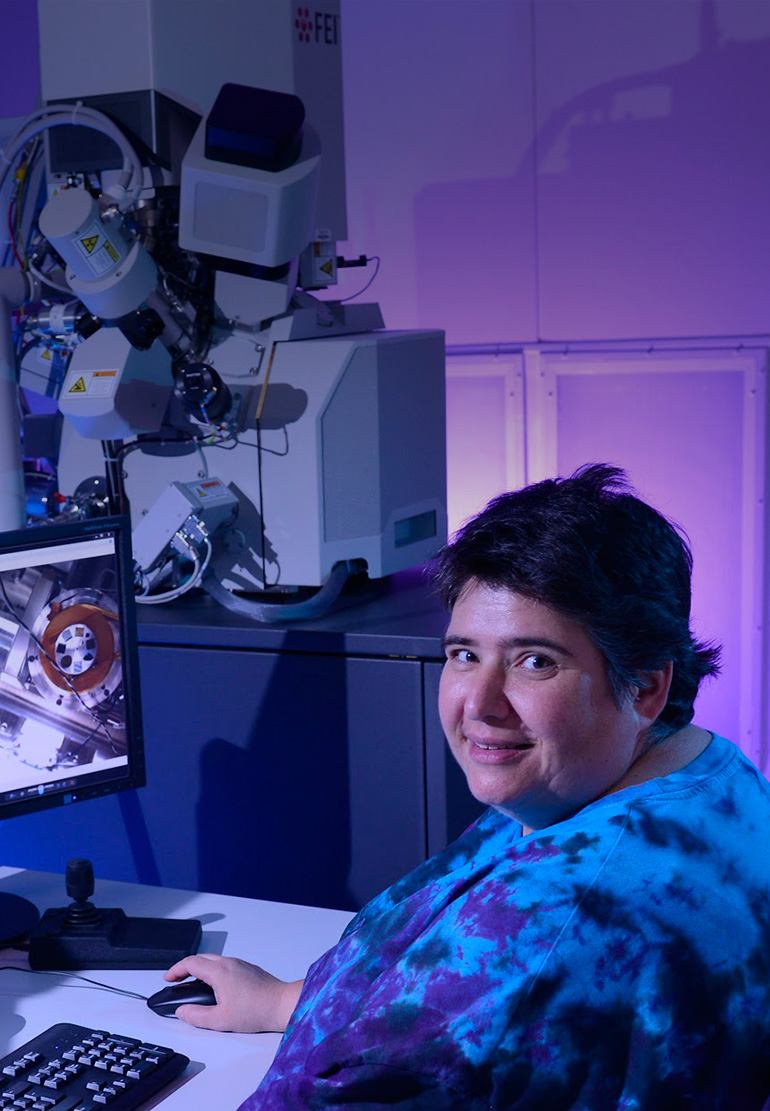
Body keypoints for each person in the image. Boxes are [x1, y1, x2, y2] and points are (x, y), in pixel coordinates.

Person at [167, 463, 770, 1109]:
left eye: (535, 660)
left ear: (646, 685)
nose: (479, 702)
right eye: (463, 654)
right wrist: (284, 999)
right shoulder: (705, 775)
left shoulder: (539, 925)